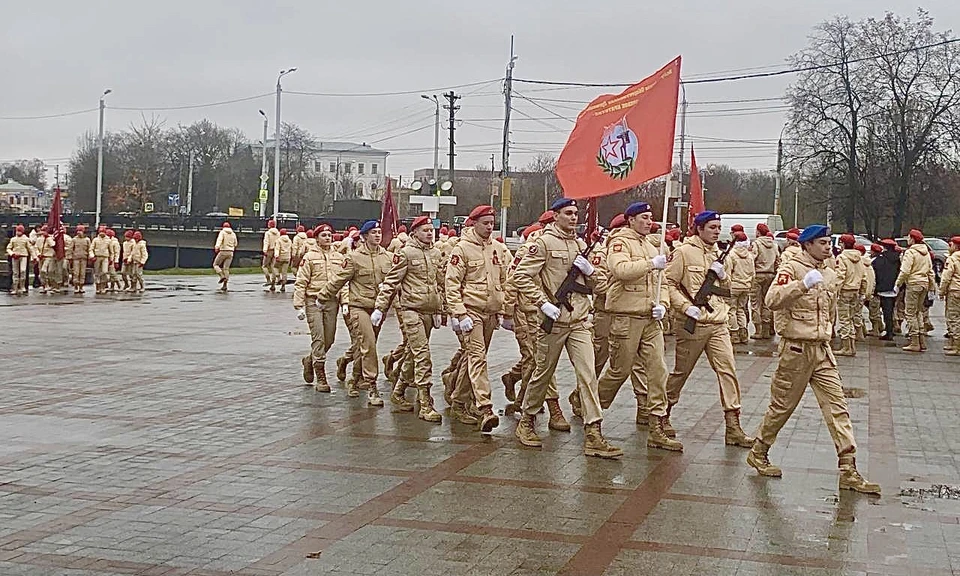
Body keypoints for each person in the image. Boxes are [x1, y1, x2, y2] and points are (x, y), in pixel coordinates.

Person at [747, 225, 880, 494]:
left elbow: (829, 311)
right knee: (782, 407)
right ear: (807, 245)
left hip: (821, 349)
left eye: (828, 243)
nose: (827, 247)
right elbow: (772, 299)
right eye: (821, 243)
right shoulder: (792, 268)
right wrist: (801, 285)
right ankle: (759, 451)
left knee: (837, 406)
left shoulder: (830, 271)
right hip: (795, 350)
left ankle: (848, 468)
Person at [513, 198, 623, 459]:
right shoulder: (542, 243)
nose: (574, 218)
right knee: (543, 373)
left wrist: (591, 270)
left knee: (587, 375)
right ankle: (527, 420)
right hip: (554, 320)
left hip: (580, 322)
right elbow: (520, 276)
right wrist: (542, 302)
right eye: (568, 213)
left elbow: (599, 286)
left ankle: (594, 432)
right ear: (556, 216)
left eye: (576, 213)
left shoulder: (581, 245)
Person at [592, 202, 677, 451]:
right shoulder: (620, 242)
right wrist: (652, 263)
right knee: (619, 371)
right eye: (644, 217)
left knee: (658, 370)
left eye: (650, 217)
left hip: (650, 317)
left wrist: (663, 304)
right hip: (626, 315)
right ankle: (591, 410)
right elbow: (620, 270)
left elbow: (661, 282)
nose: (649, 222)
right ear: (630, 220)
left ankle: (657, 425)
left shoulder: (651, 244)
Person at [665, 211, 752, 448]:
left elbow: (729, 288)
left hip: (718, 322)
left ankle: (733, 426)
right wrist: (685, 307)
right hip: (692, 323)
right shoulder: (683, 252)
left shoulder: (721, 253)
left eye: (718, 227)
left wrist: (723, 278)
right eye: (712, 227)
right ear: (699, 228)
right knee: (681, 373)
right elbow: (669, 284)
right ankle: (662, 413)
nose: (716, 231)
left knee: (728, 371)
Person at [373, 216, 445, 422]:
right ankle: (425, 403)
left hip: (429, 311)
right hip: (410, 310)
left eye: (432, 230)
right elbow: (391, 282)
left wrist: (442, 310)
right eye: (425, 230)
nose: (430, 233)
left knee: (413, 355)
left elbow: (440, 284)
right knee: (423, 355)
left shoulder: (436, 253)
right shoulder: (405, 254)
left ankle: (399, 390)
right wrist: (380, 307)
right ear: (414, 233)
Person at [445, 205, 510, 433]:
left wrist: (504, 310)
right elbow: (452, 283)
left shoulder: (499, 249)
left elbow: (505, 281)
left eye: (492, 222)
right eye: (485, 222)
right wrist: (458, 313)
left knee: (473, 360)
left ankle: (459, 401)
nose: (490, 226)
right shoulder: (461, 249)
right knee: (477, 358)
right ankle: (485, 407)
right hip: (471, 312)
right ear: (474, 223)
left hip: (490, 312)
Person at [317, 220, 391, 405]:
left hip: (378, 308)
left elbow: (394, 282)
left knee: (363, 346)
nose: (377, 235)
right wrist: (323, 297)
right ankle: (372, 386)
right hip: (358, 306)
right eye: (373, 232)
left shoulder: (387, 257)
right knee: (368, 345)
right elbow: (338, 280)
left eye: (379, 232)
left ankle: (354, 379)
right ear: (364, 236)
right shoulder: (354, 257)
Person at [293, 223, 345, 392]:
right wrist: (299, 305)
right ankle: (321, 377)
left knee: (329, 339)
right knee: (319, 338)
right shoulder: (309, 257)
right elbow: (301, 282)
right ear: (316, 238)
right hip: (313, 300)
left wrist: (345, 302)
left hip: (331, 301)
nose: (328, 238)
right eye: (324, 235)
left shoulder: (338, 257)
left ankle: (309, 359)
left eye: (330, 235)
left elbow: (342, 282)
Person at [896, 229, 937, 352]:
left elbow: (905, 271)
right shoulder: (926, 253)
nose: (908, 240)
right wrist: (931, 287)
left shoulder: (910, 253)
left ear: (913, 239)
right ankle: (921, 339)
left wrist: (898, 284)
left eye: (909, 237)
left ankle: (914, 341)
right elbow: (930, 272)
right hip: (924, 283)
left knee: (910, 313)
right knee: (919, 311)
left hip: (913, 284)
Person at [833, 234, 867, 357]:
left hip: (845, 291)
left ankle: (846, 347)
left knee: (844, 319)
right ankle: (851, 346)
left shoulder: (842, 258)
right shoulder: (859, 258)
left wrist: (835, 291)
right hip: (856, 291)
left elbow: (840, 276)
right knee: (851, 318)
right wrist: (862, 292)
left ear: (842, 244)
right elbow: (864, 277)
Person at [726, 231, 755, 344]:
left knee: (731, 310)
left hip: (734, 285)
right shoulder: (749, 256)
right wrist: (749, 284)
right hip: (746, 286)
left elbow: (728, 272)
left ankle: (734, 333)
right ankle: (743, 332)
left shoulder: (731, 254)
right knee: (741, 309)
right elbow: (753, 273)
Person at [752, 223, 780, 339]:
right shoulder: (774, 244)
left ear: (758, 232)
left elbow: (752, 258)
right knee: (767, 302)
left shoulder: (756, 244)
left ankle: (758, 331)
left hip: (758, 275)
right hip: (770, 275)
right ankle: (766, 330)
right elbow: (778, 259)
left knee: (755, 303)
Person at [940, 236, 960, 356]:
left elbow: (946, 277)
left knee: (953, 318)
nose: (949, 247)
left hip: (954, 290)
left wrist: (942, 291)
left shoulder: (952, 259)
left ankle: (957, 346)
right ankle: (953, 343)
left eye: (951, 244)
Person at [6, 225, 33, 295]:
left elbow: (30, 248)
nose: (18, 232)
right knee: (15, 272)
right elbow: (8, 248)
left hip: (23, 256)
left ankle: (22, 286)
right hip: (15, 257)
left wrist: (35, 257)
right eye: (17, 230)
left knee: (23, 271)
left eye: (20, 231)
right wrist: (12, 254)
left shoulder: (26, 239)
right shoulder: (13, 239)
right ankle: (15, 288)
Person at [865, 244, 884, 337]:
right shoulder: (882, 261)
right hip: (880, 289)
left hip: (874, 289)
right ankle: (880, 326)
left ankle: (876, 329)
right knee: (874, 309)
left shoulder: (873, 263)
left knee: (873, 310)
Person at [213, 222, 238, 291]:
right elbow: (236, 244)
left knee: (215, 264)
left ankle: (221, 276)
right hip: (231, 252)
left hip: (223, 251)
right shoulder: (233, 234)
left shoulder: (222, 232)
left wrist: (217, 247)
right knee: (226, 269)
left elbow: (219, 240)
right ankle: (225, 285)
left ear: (223, 227)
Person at [33, 226, 55, 293]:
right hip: (41, 257)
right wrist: (38, 254)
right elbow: (36, 247)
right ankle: (44, 285)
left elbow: (53, 245)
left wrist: (48, 238)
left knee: (44, 270)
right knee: (41, 272)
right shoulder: (39, 239)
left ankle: (50, 285)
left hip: (48, 256)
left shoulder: (50, 238)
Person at [90, 227, 112, 294]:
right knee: (96, 273)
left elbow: (111, 251)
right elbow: (91, 249)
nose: (101, 233)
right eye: (100, 232)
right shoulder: (95, 240)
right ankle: (98, 287)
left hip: (105, 257)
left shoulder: (108, 240)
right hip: (97, 257)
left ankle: (103, 286)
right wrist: (92, 256)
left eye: (103, 231)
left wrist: (111, 259)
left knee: (104, 272)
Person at [70, 226, 91, 294]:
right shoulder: (74, 240)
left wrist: (90, 257)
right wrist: (70, 257)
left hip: (84, 258)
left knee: (82, 273)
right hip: (76, 258)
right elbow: (71, 249)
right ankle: (76, 286)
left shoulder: (87, 240)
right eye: (78, 231)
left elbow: (89, 249)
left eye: (80, 231)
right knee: (76, 272)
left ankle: (81, 286)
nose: (79, 232)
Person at [262, 219, 280, 291]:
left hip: (269, 250)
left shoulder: (268, 233)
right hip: (275, 250)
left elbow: (266, 242)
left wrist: (265, 250)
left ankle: (268, 279)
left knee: (264, 266)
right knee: (273, 266)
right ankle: (274, 281)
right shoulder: (278, 233)